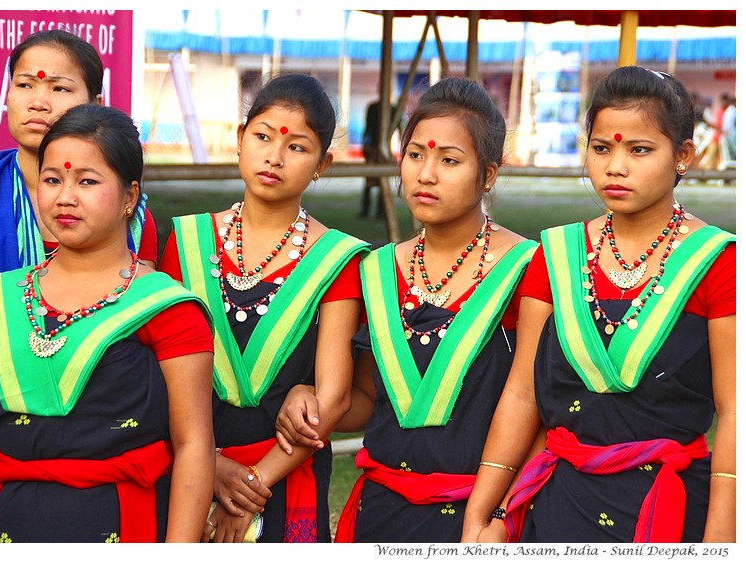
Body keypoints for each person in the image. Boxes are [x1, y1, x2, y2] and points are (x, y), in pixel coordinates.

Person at [461, 66, 735, 543]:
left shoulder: (719, 262)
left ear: (683, 156)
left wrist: (720, 541)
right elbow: (523, 393)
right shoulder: (558, 255)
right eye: (602, 147)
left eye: (639, 150)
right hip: (560, 499)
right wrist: (482, 514)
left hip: (668, 504)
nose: (616, 166)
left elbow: (736, 412)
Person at [0, 104, 216, 542]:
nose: (65, 196)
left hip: (122, 528)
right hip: (3, 527)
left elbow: (193, 446)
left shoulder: (167, 308)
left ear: (129, 197)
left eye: (86, 181)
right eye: (52, 179)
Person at [275, 76, 537, 543]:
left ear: (489, 174)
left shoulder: (527, 268)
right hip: (381, 508)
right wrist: (306, 396)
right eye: (415, 155)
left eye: (449, 160)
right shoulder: (376, 271)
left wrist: (500, 516)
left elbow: (541, 413)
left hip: (479, 517)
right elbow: (366, 403)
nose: (426, 174)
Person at [159, 72, 370, 543]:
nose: (274, 156)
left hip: (285, 475)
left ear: (322, 164)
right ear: (240, 139)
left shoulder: (338, 260)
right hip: (192, 465)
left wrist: (254, 484)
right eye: (262, 136)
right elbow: (157, 376)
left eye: (297, 147)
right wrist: (209, 466)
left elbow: (333, 397)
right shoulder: (186, 242)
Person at [0, 29, 160, 441]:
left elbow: (121, 351)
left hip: (89, 430)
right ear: (6, 98)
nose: (38, 101)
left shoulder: (131, 219)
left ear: (95, 105)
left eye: (59, 87)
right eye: (24, 85)